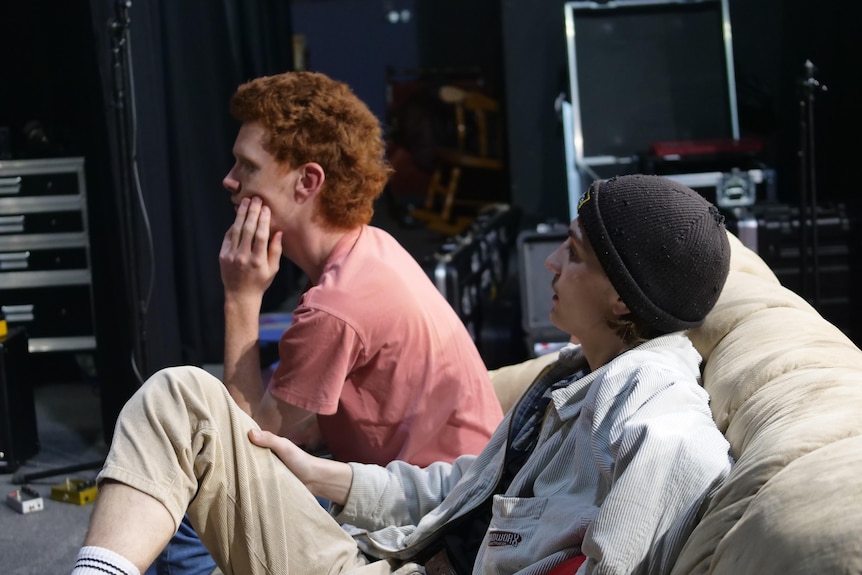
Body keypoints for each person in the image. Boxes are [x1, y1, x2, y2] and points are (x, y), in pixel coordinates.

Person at [72, 174, 734, 575]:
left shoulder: (652, 390)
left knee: (184, 402)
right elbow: (467, 488)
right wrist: (321, 474)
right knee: (182, 394)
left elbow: (684, 450)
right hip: (395, 554)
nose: (553, 263)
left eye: (578, 254)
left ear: (622, 297)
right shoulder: (575, 370)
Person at [145, 70, 504, 575]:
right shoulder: (371, 248)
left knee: (197, 493)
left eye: (247, 166)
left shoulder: (336, 306)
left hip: (425, 520)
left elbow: (246, 448)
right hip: (449, 493)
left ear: (307, 182)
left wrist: (241, 298)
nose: (229, 180)